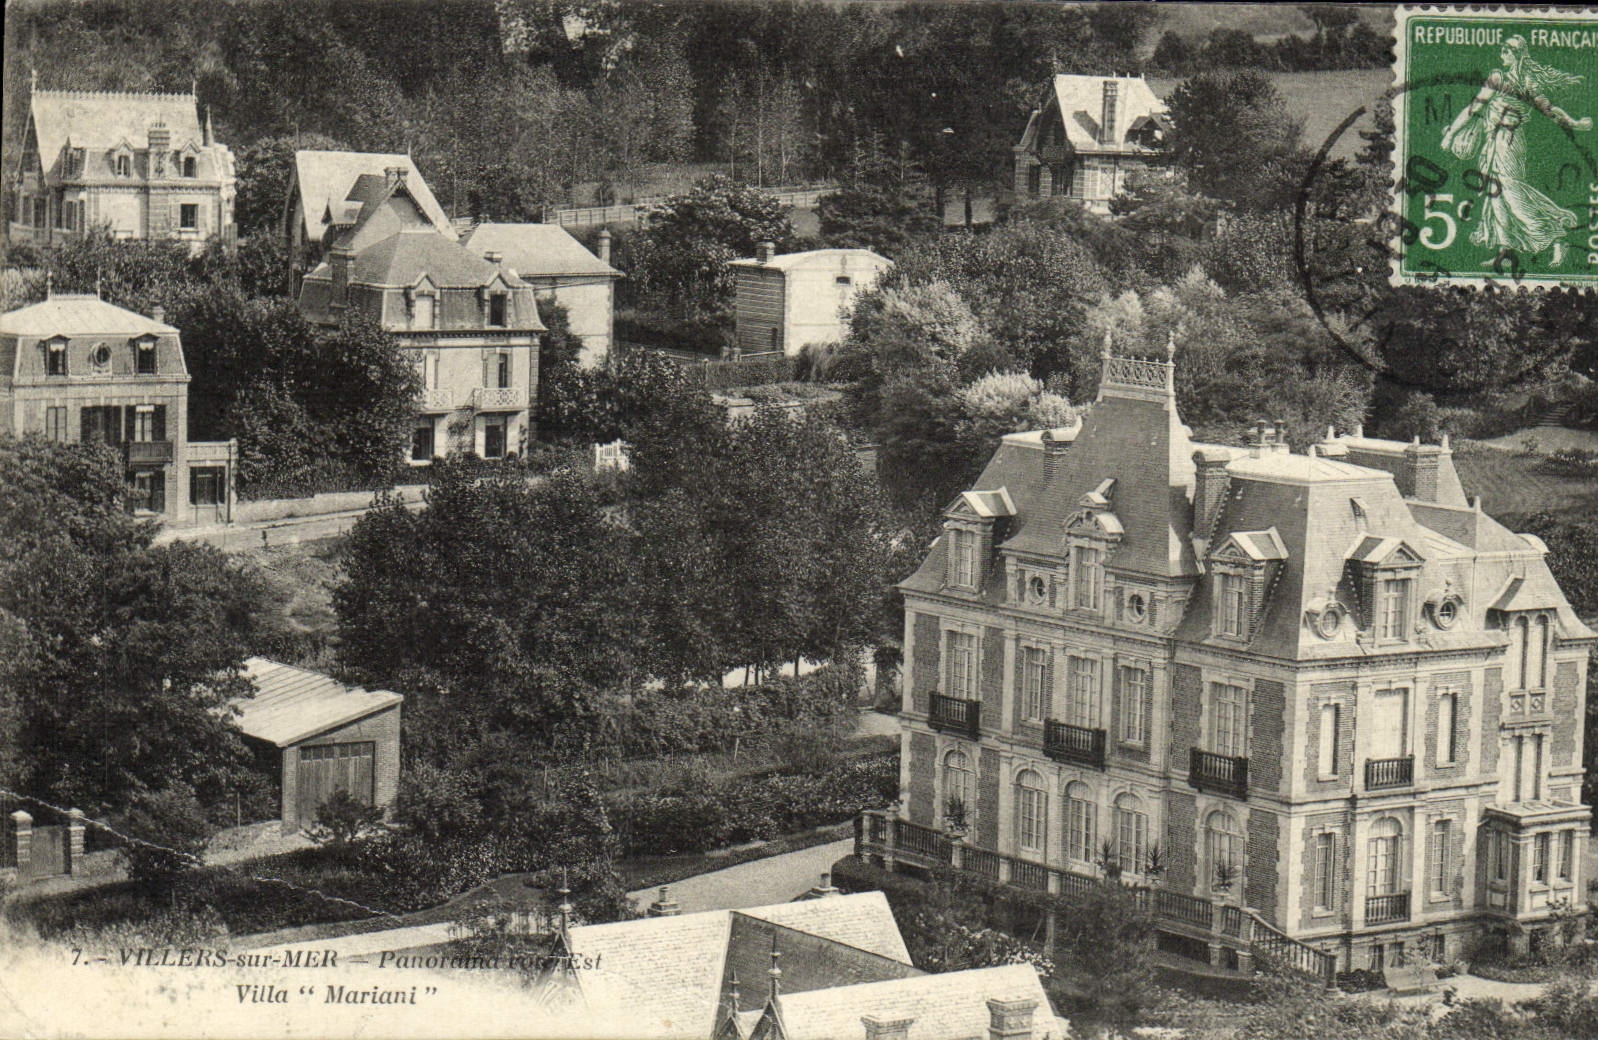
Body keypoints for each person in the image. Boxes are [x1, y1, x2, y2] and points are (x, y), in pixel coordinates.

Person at [1440, 35, 1592, 268]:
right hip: (1493, 143)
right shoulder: (1501, 79)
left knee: (1512, 195)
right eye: (1502, 50)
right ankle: (1505, 253)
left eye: (1506, 50)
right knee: (1495, 198)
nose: (1502, 54)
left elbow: (1550, 111)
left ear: (1518, 54)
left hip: (1508, 143)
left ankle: (1556, 237)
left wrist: (1575, 123)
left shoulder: (1522, 83)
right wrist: (1451, 134)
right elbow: (1475, 108)